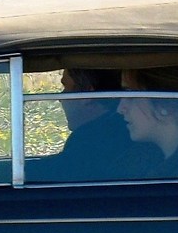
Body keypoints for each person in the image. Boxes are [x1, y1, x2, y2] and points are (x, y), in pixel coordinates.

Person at [26, 67, 162, 182]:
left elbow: (61, 172)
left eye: (66, 88)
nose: (60, 98)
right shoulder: (113, 131)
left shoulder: (92, 139)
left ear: (87, 95)